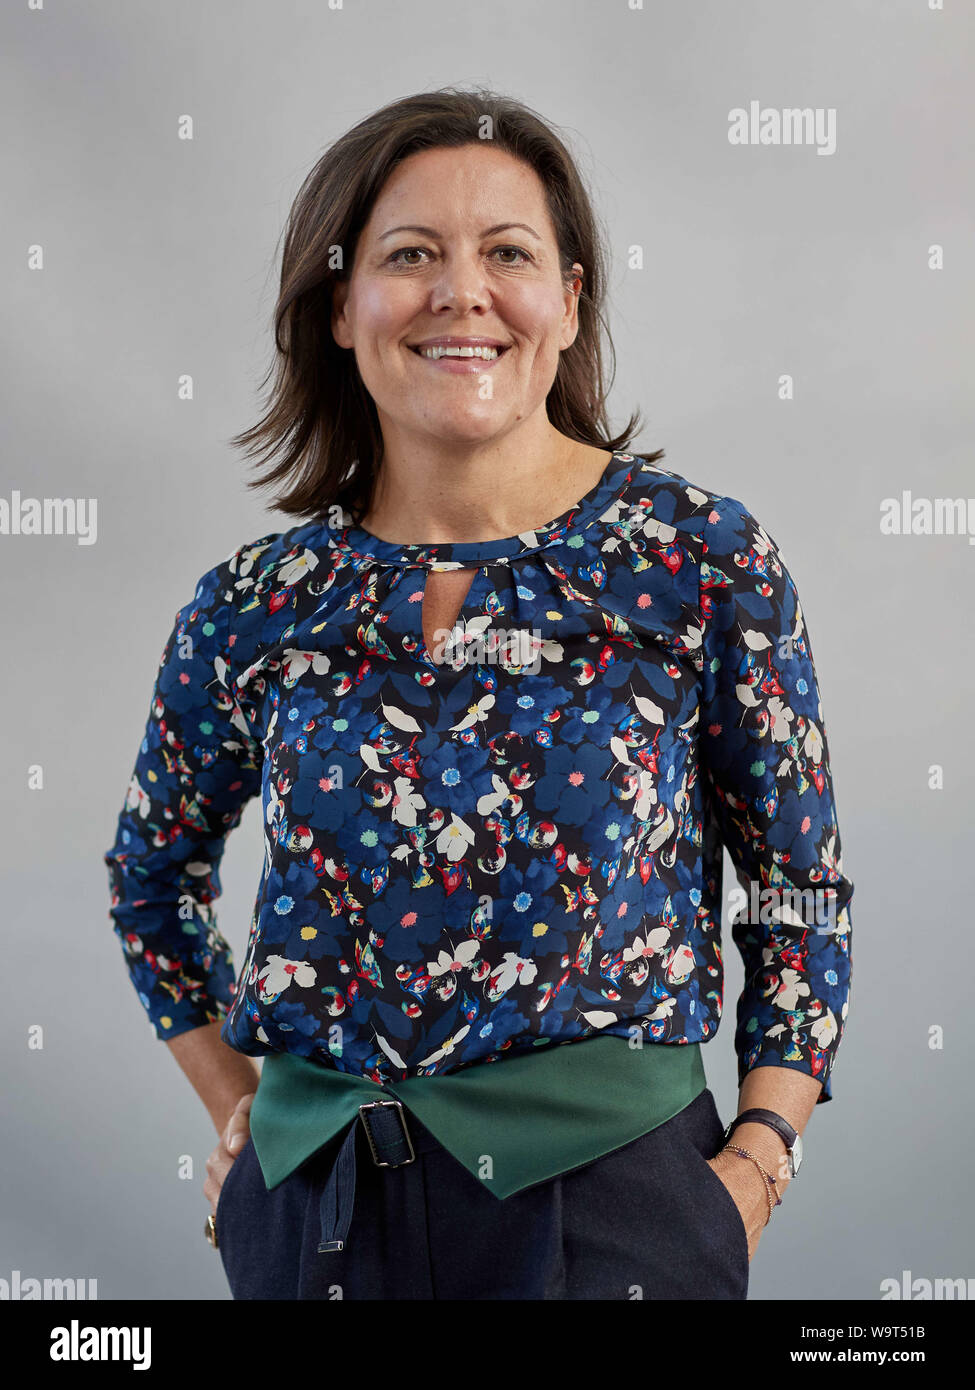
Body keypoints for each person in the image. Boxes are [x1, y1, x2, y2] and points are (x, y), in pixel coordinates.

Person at [103, 87, 854, 1301]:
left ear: (567, 303)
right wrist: (247, 1118)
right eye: (410, 256)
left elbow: (799, 891)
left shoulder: (697, 560)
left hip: (616, 1211)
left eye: (507, 253)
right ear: (342, 309)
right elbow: (151, 877)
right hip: (320, 1220)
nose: (461, 291)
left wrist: (756, 1164)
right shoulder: (257, 602)